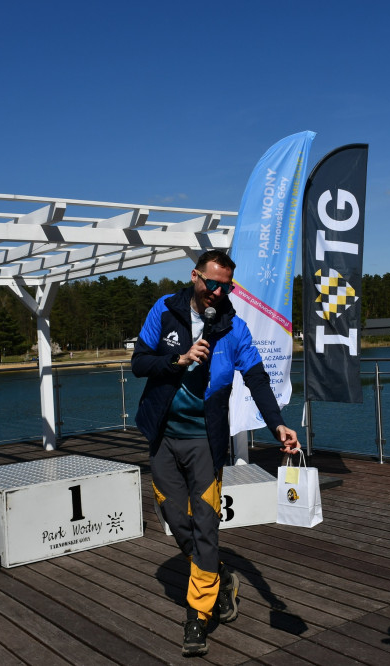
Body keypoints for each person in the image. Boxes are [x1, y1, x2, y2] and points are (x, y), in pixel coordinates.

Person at [132, 249, 300, 658]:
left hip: (204, 441)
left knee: (206, 525)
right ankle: (221, 577)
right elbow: (139, 363)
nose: (218, 293)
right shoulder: (164, 309)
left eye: (227, 287)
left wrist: (277, 423)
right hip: (163, 435)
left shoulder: (234, 328)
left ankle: (197, 615)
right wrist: (179, 359)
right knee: (175, 519)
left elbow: (257, 378)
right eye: (212, 284)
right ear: (195, 276)